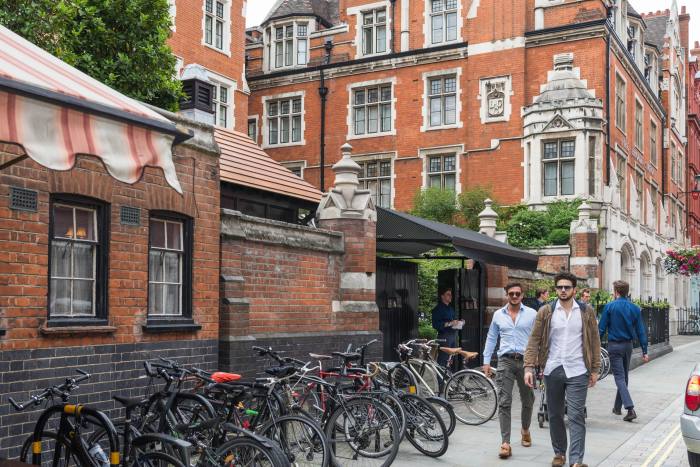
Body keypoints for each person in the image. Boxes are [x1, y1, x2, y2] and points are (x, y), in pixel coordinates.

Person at [524, 272, 601, 467]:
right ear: (555, 289)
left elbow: (594, 340)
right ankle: (559, 453)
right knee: (555, 415)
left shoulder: (586, 311)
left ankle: (576, 460)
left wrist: (594, 370)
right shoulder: (546, 311)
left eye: (567, 287)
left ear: (574, 289)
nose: (563, 290)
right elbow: (534, 339)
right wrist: (528, 367)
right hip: (553, 368)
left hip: (578, 369)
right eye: (560, 287)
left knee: (576, 415)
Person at [483, 282, 537, 459]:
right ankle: (505, 442)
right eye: (511, 293)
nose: (514, 296)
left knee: (527, 399)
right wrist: (485, 360)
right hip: (505, 361)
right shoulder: (498, 315)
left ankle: (525, 429)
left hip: (526, 362)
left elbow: (538, 338)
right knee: (504, 401)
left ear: (522, 295)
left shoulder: (531, 314)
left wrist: (539, 360)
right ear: (507, 295)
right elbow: (491, 337)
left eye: (517, 294)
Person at [598, 280, 649, 422]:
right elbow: (641, 331)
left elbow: (601, 329)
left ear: (616, 292)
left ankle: (630, 408)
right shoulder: (635, 308)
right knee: (624, 377)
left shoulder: (609, 306)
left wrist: (595, 345)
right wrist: (645, 351)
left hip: (614, 346)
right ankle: (616, 407)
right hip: (628, 346)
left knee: (619, 378)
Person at [431, 287, 464, 367]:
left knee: (451, 360)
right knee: (443, 359)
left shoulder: (451, 309)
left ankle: (449, 378)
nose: (450, 296)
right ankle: (441, 379)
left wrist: (459, 323)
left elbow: (452, 322)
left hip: (453, 336)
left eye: (451, 295)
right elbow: (435, 325)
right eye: (448, 294)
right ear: (442, 296)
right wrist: (449, 323)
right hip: (444, 336)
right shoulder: (437, 309)